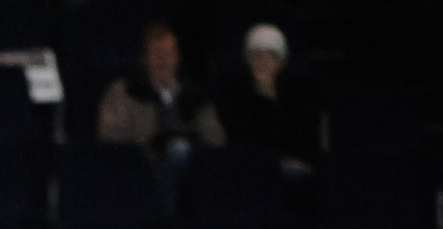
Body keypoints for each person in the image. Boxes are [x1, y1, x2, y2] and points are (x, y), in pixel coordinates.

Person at [97, 22, 223, 207]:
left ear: (177, 57)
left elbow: (216, 138)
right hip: (143, 172)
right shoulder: (124, 92)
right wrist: (153, 144)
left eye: (169, 54)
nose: (164, 61)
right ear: (145, 59)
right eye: (157, 54)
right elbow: (110, 136)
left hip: (193, 172)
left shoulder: (195, 96)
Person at [215, 23, 320, 177]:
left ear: (279, 63)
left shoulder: (297, 98)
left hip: (289, 168)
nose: (263, 63)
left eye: (269, 57)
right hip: (250, 167)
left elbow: (304, 140)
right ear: (249, 61)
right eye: (257, 56)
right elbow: (240, 139)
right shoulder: (235, 98)